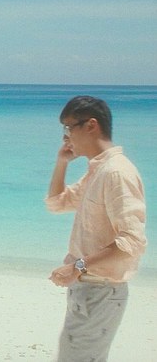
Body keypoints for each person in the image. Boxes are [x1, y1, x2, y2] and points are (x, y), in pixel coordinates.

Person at [45, 95, 147, 362]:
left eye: (69, 128)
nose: (66, 137)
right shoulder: (98, 171)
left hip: (100, 290)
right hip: (88, 289)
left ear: (91, 125)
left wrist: (77, 266)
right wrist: (62, 162)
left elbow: (132, 242)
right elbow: (57, 203)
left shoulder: (116, 173)